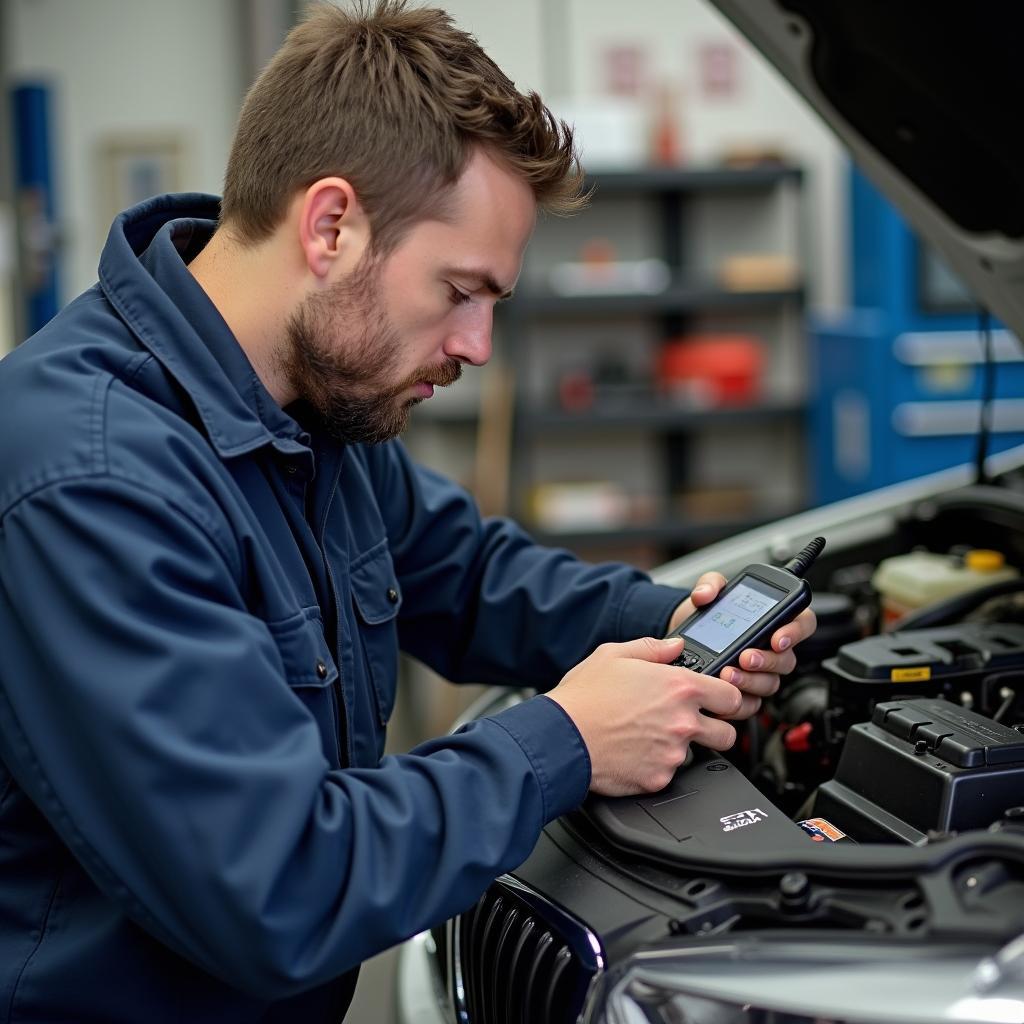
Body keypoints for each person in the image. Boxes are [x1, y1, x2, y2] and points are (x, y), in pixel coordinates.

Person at [0, 3, 816, 1021]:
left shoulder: (311, 409)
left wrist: (673, 627)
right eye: (458, 290)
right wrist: (564, 739)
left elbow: (469, 575)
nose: (475, 347)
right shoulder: (94, 478)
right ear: (331, 225)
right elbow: (272, 884)